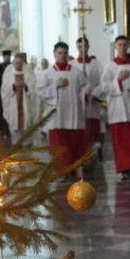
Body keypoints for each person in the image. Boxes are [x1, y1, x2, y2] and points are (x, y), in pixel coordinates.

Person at [99, 35, 130, 180]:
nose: (122, 47)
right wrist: (118, 80)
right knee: (121, 141)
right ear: (115, 47)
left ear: (128, 46)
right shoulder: (109, 66)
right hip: (117, 110)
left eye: (124, 44)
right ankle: (123, 168)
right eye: (119, 45)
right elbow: (104, 87)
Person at [38, 42, 89, 178]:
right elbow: (40, 92)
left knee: (75, 142)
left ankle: (75, 166)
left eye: (65, 53)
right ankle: (63, 169)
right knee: (59, 144)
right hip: (57, 115)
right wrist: (55, 86)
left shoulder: (76, 72)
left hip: (74, 114)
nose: (62, 55)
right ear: (54, 54)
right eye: (59, 53)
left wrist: (85, 94)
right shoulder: (47, 73)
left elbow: (86, 86)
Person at [75, 36, 104, 157]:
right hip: (79, 102)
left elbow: (103, 82)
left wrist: (94, 93)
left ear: (88, 47)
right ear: (77, 47)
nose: (82, 49)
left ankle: (96, 148)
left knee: (95, 125)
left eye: (84, 46)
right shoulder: (72, 64)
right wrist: (81, 94)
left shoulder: (96, 64)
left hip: (93, 101)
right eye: (79, 46)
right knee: (80, 126)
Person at [0, 52, 38, 140]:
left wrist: (26, 86)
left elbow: (34, 90)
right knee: (15, 127)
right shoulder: (8, 75)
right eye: (16, 63)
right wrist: (13, 86)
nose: (18, 65)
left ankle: (27, 145)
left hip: (26, 104)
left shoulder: (28, 74)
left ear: (23, 63)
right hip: (13, 105)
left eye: (20, 63)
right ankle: (16, 143)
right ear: (13, 63)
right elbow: (4, 90)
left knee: (26, 127)